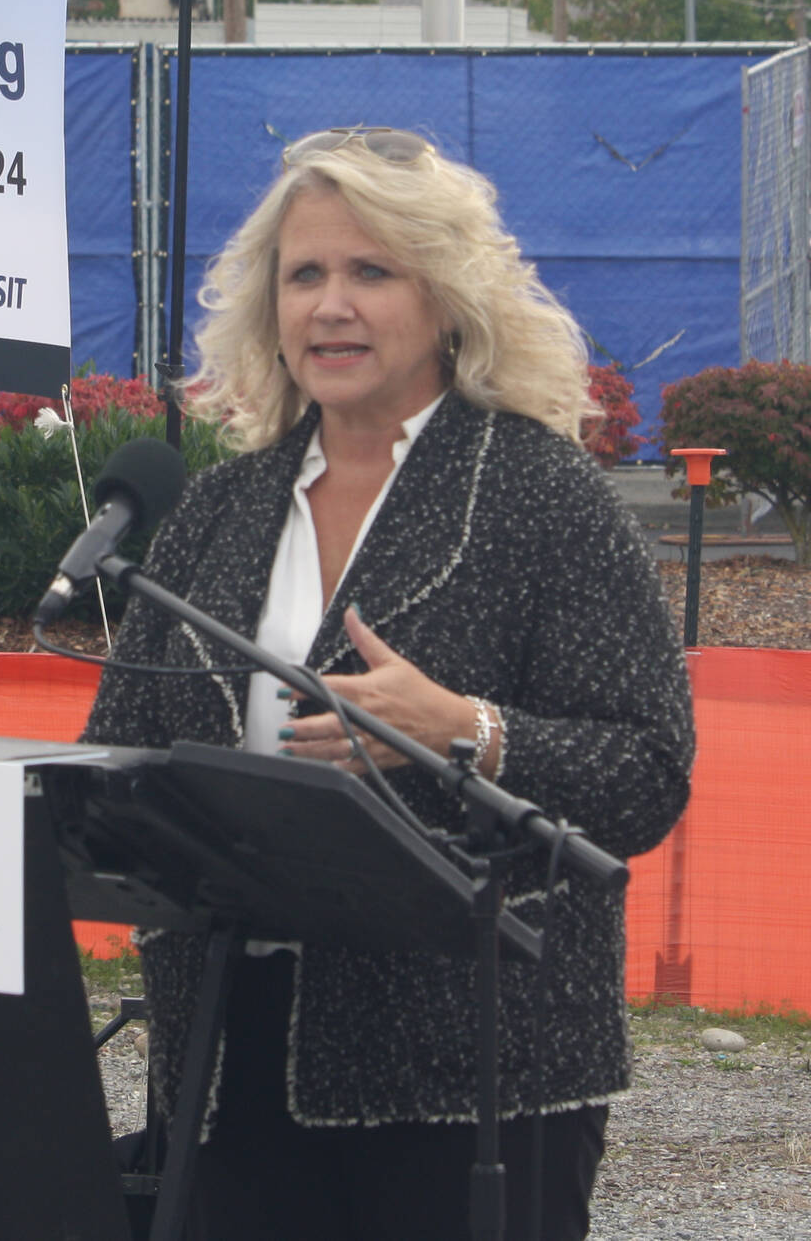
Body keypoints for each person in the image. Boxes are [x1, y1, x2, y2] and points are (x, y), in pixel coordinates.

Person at [80, 127, 695, 1241]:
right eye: (304, 274)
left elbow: (645, 770)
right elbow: (119, 753)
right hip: (229, 1052)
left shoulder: (536, 494)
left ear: (447, 299)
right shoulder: (218, 512)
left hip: (465, 1076)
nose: (330, 305)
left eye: (371, 271)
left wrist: (467, 730)